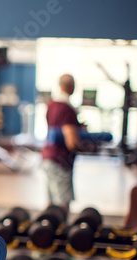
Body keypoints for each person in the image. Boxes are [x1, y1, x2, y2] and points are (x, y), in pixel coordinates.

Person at [41, 74, 85, 214]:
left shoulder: (51, 105)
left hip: (48, 157)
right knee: (62, 208)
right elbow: (71, 142)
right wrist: (85, 145)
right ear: (72, 87)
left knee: (51, 206)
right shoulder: (66, 109)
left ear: (60, 86)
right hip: (60, 161)